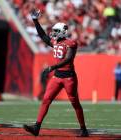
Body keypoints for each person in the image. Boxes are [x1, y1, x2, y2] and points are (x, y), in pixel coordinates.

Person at [23, 9, 89, 137]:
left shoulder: (71, 43)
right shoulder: (55, 42)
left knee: (75, 103)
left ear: (63, 32)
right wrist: (35, 20)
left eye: (56, 31)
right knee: (46, 100)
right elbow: (42, 36)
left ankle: (83, 129)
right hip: (57, 76)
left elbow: (68, 59)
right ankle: (36, 127)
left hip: (69, 77)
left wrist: (52, 67)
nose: (53, 33)